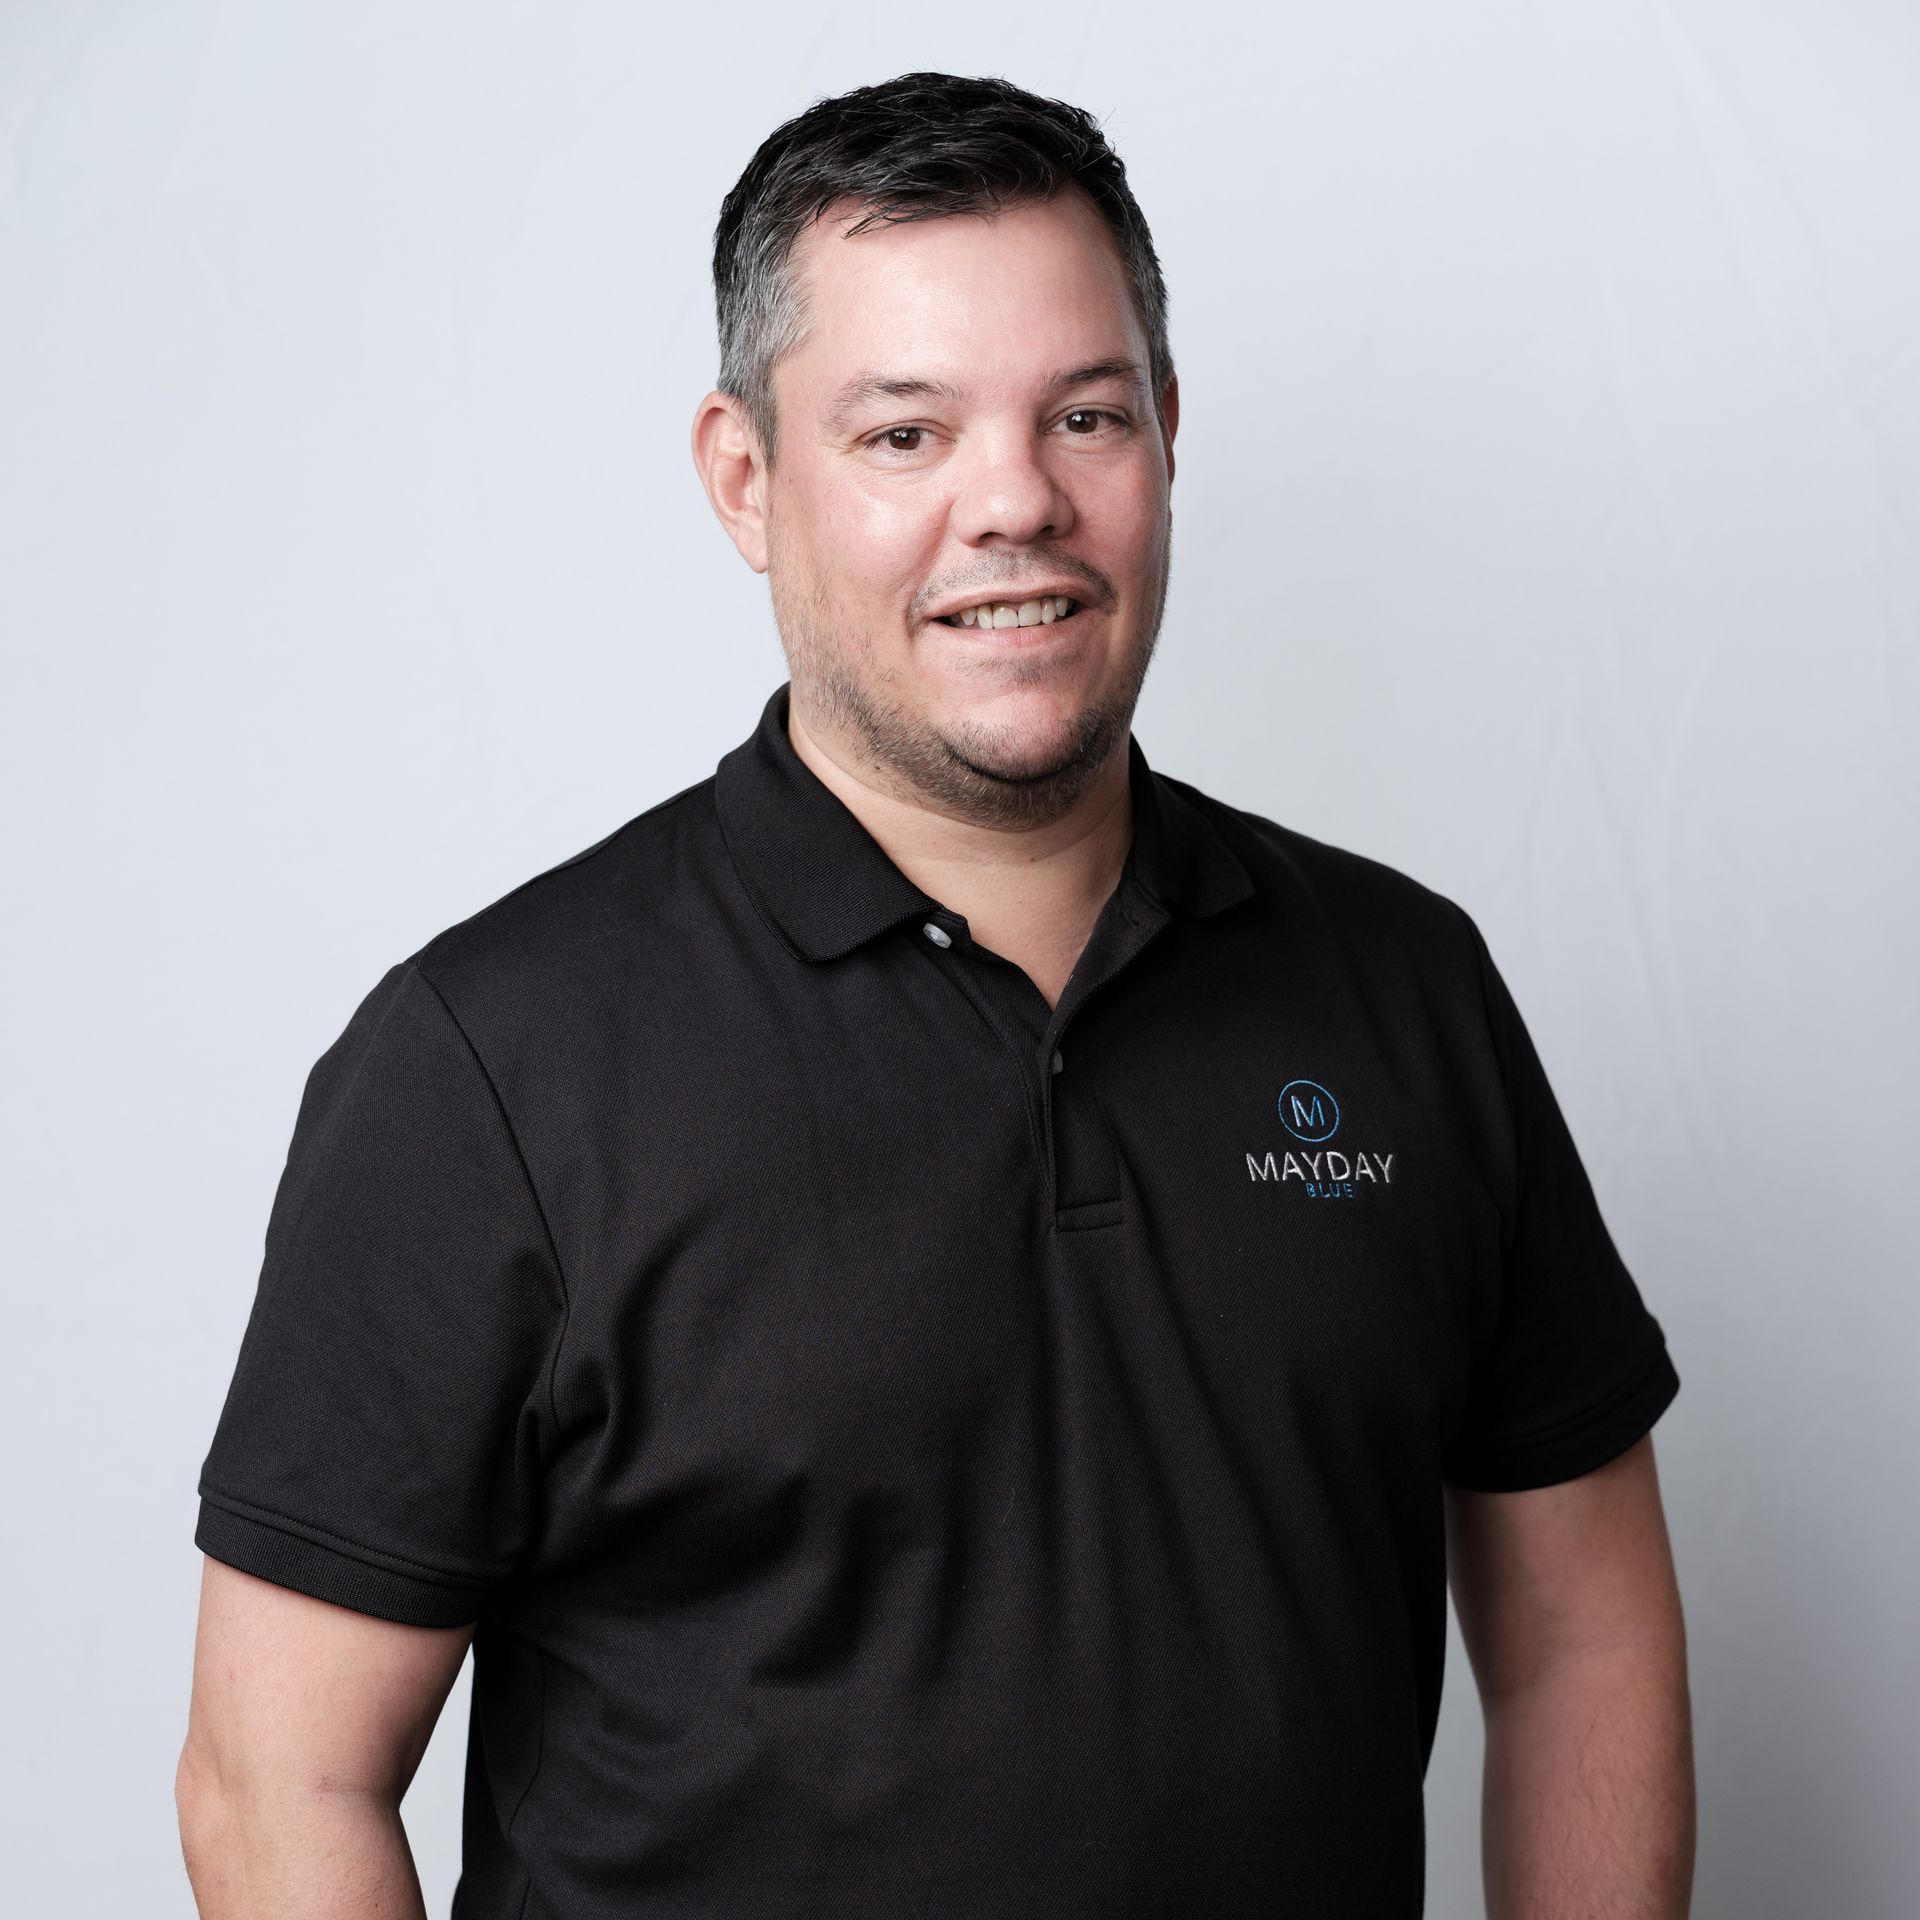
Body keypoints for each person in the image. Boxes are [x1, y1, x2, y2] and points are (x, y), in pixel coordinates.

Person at [175, 70, 1693, 1919]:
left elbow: (1582, 1638)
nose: (1017, 507)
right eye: (906, 435)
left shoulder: (1404, 988)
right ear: (748, 478)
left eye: (1085, 415)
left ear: (1166, 434)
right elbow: (281, 1783)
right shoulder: (491, 1065)